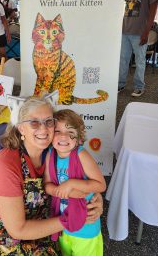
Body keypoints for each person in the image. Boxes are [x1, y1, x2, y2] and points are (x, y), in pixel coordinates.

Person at [0, 94, 104, 255]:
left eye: (49, 122)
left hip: (42, 219)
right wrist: (73, 219)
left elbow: (84, 181)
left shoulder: (54, 152)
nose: (43, 129)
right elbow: (18, 230)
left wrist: (94, 199)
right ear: (21, 128)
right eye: (34, 122)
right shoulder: (5, 166)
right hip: (4, 232)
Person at [44, 109, 106, 256]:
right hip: (62, 224)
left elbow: (100, 184)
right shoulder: (51, 154)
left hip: (86, 228)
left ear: (78, 138)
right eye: (57, 131)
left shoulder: (81, 155)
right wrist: (64, 191)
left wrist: (71, 184)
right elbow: (47, 184)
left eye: (69, 131)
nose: (63, 136)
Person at [118, 0, 158, 97]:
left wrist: (146, 32)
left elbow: (153, 11)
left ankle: (139, 86)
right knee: (123, 59)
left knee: (139, 61)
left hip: (140, 31)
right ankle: (120, 84)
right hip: (125, 29)